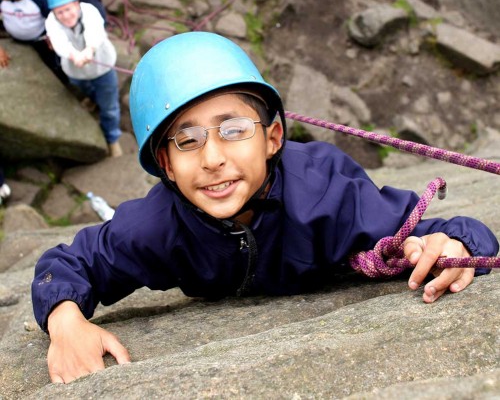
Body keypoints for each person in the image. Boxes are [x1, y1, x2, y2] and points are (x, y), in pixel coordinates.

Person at [31, 32, 499, 384]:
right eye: (187, 140)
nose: (213, 158)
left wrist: (455, 244)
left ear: (273, 137)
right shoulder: (157, 227)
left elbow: (435, 230)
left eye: (233, 129)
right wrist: (66, 322)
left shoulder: (326, 193)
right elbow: (69, 263)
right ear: (166, 165)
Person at [44, 0, 122, 157]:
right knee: (84, 88)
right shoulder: (51, 22)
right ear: (54, 12)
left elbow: (95, 31)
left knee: (109, 106)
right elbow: (58, 41)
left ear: (76, 4)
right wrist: (73, 55)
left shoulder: (89, 10)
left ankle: (112, 138)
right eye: (60, 12)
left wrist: (90, 49)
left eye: (68, 9)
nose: (66, 15)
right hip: (76, 70)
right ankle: (92, 98)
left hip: (103, 67)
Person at [0, 0, 68, 84]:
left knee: (56, 64)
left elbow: (55, 19)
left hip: (40, 38)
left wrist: (53, 37)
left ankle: (66, 82)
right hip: (13, 35)